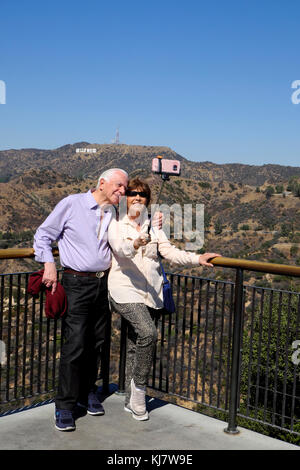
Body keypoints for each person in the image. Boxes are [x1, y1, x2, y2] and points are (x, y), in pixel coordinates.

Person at [107, 177, 220, 421]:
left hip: (152, 291)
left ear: (147, 200)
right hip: (124, 288)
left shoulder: (154, 225)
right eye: (133, 193)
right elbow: (119, 249)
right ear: (126, 198)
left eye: (142, 195)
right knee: (148, 333)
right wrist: (136, 243)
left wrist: (197, 258)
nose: (137, 197)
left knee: (136, 343)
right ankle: (139, 391)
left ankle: (129, 400)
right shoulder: (116, 223)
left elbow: (168, 252)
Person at [33, 168, 129, 431]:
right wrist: (49, 264)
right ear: (101, 183)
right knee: (74, 345)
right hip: (76, 283)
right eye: (119, 186)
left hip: (103, 284)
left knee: (97, 343)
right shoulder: (71, 204)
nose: (122, 191)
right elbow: (42, 235)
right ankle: (64, 406)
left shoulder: (114, 212)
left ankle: (87, 394)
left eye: (125, 188)